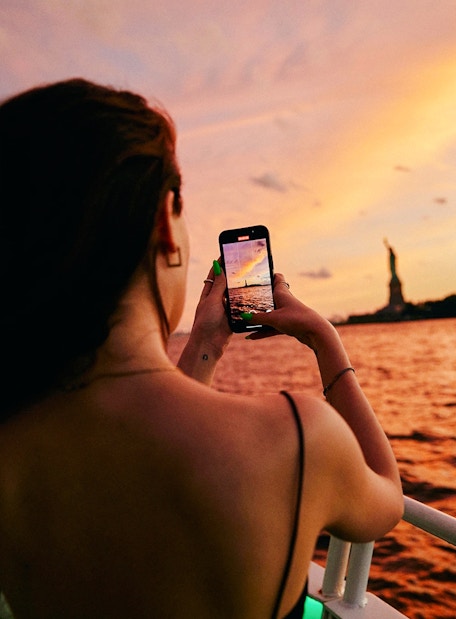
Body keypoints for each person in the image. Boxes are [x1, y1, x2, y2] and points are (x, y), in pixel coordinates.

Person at [0, 78, 403, 619]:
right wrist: (323, 340)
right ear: (166, 221)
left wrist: (207, 344)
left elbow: (139, 470)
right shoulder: (295, 438)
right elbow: (386, 498)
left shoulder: (15, 444)